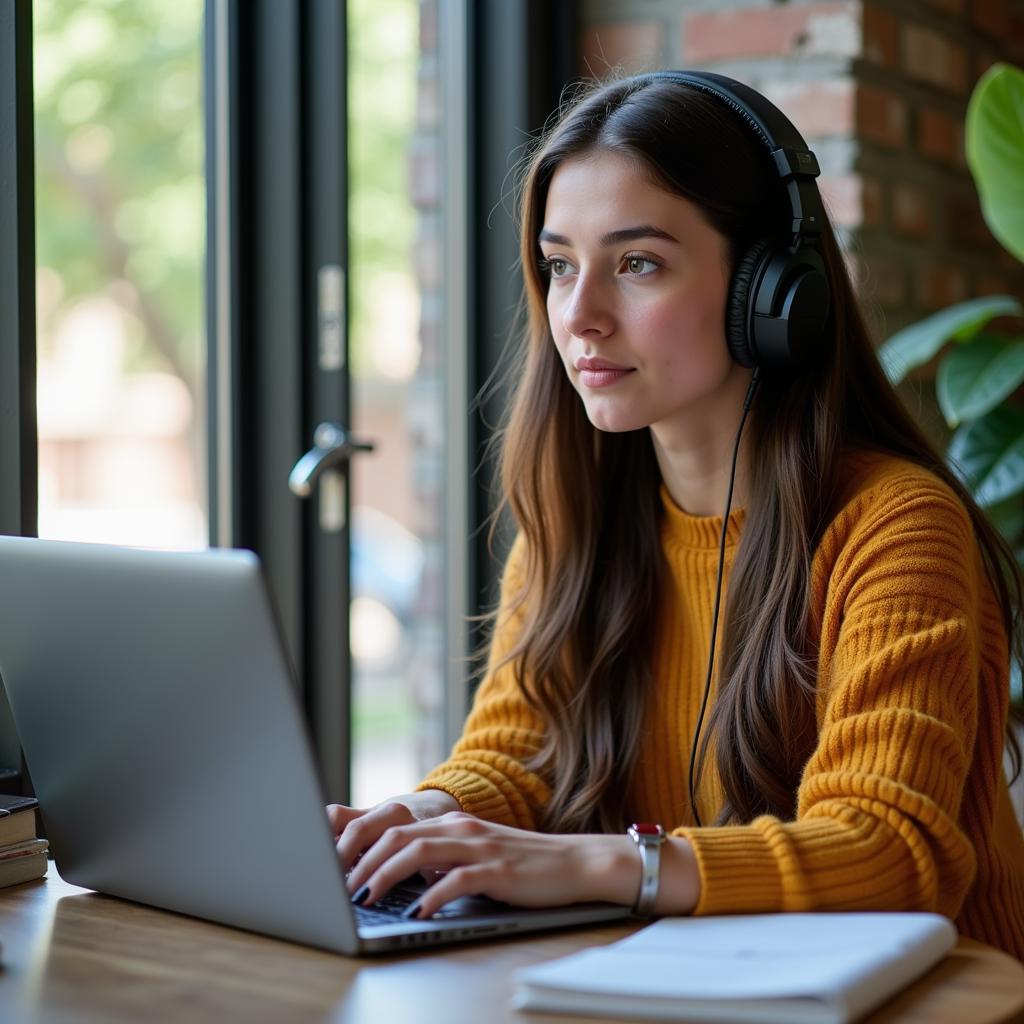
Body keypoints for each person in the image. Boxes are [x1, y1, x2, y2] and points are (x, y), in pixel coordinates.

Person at [329, 70, 1024, 960]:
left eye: (637, 263)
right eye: (559, 265)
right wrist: (410, 823)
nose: (578, 315)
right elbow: (516, 758)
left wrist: (595, 865)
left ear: (770, 295)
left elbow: (890, 850)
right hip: (687, 985)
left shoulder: (894, 526)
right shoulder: (578, 521)